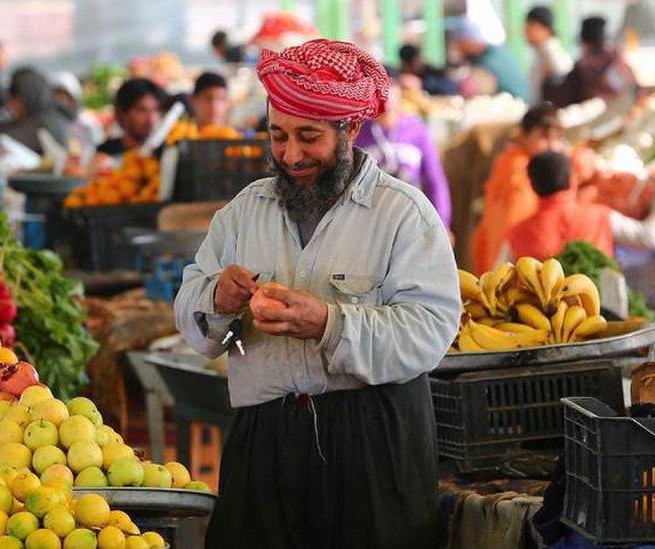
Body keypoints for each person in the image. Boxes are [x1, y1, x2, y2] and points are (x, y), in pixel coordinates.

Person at [175, 38, 459, 549]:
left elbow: (431, 331)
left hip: (373, 441)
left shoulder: (403, 215)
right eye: (278, 136)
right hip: (266, 438)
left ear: (349, 128)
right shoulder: (243, 212)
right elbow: (194, 319)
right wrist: (217, 299)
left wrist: (331, 325)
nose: (291, 154)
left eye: (309, 137)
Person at [469, 103, 603, 274]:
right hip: (510, 265)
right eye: (544, 137)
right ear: (523, 136)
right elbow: (510, 231)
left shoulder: (540, 163)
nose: (552, 145)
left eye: (557, 138)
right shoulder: (517, 171)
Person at [506, 151, 655, 260]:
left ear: (533, 186)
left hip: (540, 315)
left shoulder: (516, 234)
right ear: (572, 180)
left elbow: (498, 281)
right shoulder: (600, 217)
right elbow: (651, 237)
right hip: (602, 314)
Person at [354, 69, 451, 227]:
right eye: (377, 88)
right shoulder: (357, 131)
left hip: (412, 215)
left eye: (390, 86)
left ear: (399, 91)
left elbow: (435, 179)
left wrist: (442, 222)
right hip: (370, 218)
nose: (384, 94)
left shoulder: (416, 129)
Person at [546, 16, 637, 108]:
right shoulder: (621, 63)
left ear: (585, 43)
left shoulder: (582, 69)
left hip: (594, 120)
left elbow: (562, 98)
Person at [447, 16, 525, 97]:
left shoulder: (490, 60)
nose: (459, 51)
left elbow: (473, 88)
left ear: (468, 42)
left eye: (460, 46)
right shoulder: (492, 52)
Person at [1, 67, 71, 154]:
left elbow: (3, 141)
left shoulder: (38, 126)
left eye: (13, 99)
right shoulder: (57, 115)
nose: (11, 106)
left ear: (22, 99)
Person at [97, 77, 165, 157]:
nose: (151, 120)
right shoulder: (104, 154)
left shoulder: (164, 153)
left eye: (156, 110)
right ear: (122, 113)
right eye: (142, 110)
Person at [525, 6, 573, 103]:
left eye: (530, 28)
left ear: (545, 29)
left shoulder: (553, 54)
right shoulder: (541, 53)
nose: (526, 33)